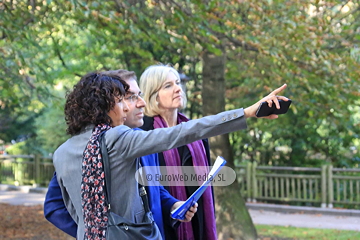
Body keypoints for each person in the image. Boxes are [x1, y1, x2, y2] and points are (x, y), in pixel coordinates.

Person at [53, 71, 288, 240]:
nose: (126, 108)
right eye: (121, 101)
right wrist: (246, 112)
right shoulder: (118, 138)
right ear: (101, 105)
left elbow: (76, 212)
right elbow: (183, 133)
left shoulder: (61, 154)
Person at [44, 69, 182, 239]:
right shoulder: (87, 152)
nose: (141, 103)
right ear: (106, 103)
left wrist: (172, 205)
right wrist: (101, 232)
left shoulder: (146, 137)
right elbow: (54, 206)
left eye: (140, 95)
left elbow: (152, 188)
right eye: (130, 97)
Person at [139, 64, 216, 240]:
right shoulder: (143, 134)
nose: (178, 89)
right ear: (153, 95)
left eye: (178, 83)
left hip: (197, 224)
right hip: (161, 227)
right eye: (168, 86)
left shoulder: (196, 133)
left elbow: (207, 191)